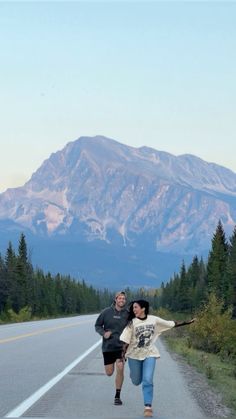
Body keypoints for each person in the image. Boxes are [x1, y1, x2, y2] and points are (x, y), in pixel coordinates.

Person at [120, 299, 195, 418]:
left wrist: (187, 322)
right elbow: (124, 342)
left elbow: (171, 323)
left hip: (150, 353)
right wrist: (122, 356)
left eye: (136, 307)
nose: (134, 310)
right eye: (133, 308)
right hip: (134, 355)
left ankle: (148, 407)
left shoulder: (154, 319)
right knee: (136, 381)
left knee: (148, 379)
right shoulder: (132, 323)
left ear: (143, 308)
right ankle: (134, 374)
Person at [95, 290, 129, 406]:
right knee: (109, 372)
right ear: (115, 299)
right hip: (108, 346)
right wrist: (104, 333)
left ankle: (117, 396)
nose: (122, 300)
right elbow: (97, 325)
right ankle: (111, 368)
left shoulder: (127, 314)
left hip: (121, 347)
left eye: (123, 299)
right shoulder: (106, 312)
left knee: (120, 367)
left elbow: (132, 327)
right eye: (120, 298)